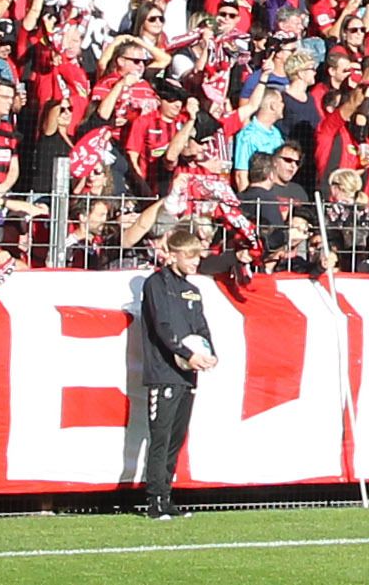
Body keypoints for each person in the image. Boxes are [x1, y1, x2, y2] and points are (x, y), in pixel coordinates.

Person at [128, 219, 220, 520]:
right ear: (174, 254)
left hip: (188, 373)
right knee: (161, 436)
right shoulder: (157, 284)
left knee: (177, 436)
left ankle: (167, 496)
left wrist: (210, 353)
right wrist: (185, 353)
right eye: (191, 256)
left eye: (198, 256)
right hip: (164, 372)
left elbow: (201, 326)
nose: (196, 261)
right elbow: (163, 328)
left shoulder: (192, 290)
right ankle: (154, 500)